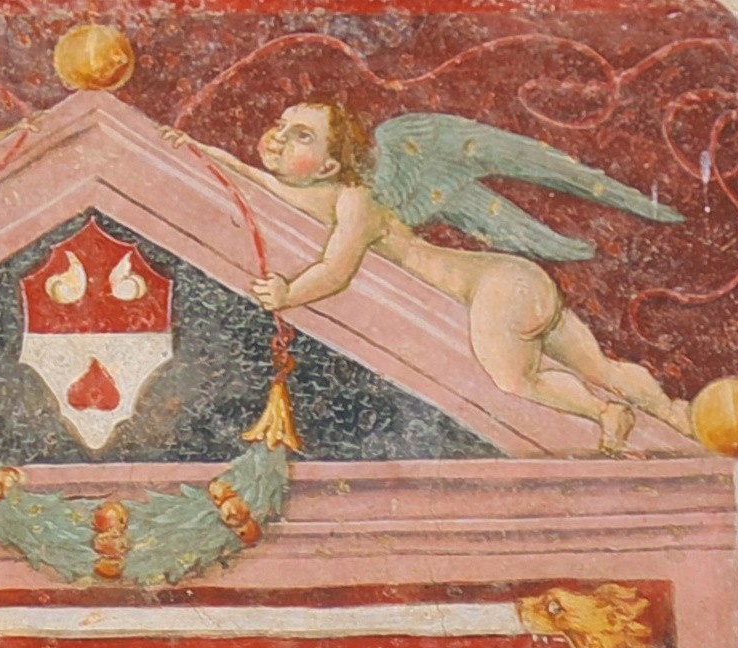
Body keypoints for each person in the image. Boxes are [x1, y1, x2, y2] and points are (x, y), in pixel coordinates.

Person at [244, 97, 696, 452]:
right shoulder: (334, 197)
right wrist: (203, 154)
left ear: (329, 165)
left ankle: (603, 411)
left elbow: (335, 270)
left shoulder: (355, 202)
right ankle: (675, 414)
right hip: (513, 279)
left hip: (498, 288)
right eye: (281, 125)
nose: (278, 136)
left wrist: (288, 293)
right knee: (597, 365)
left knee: (515, 380)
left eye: (301, 135)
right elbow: (264, 185)